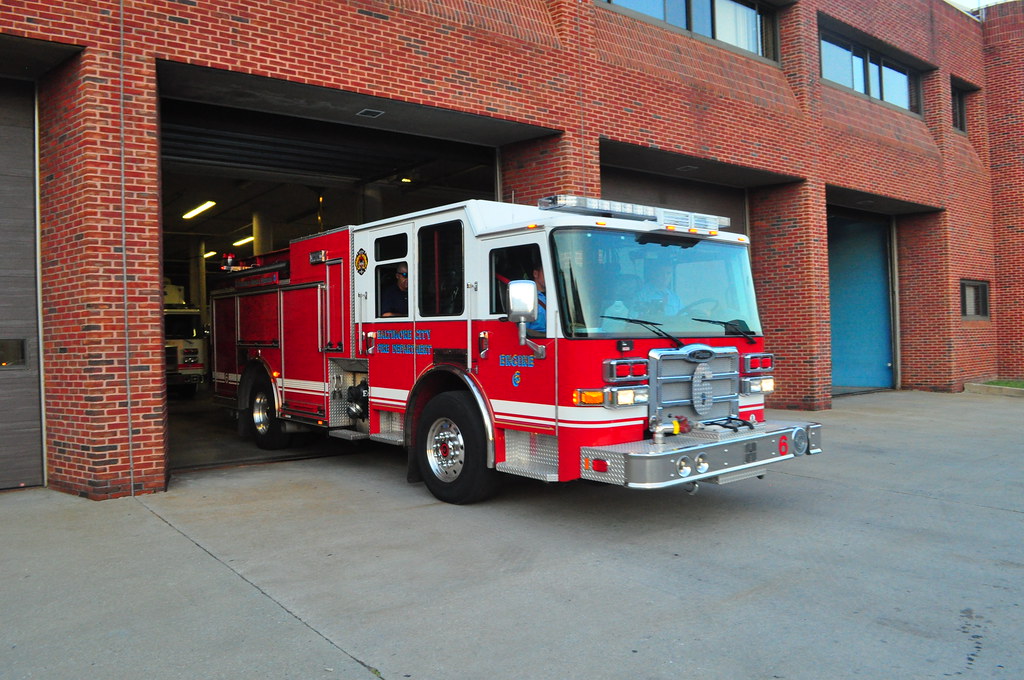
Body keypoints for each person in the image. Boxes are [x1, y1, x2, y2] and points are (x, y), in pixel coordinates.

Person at [525, 264, 546, 333]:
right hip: (537, 337)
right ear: (535, 274)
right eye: (546, 272)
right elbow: (524, 330)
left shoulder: (557, 296)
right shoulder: (527, 298)